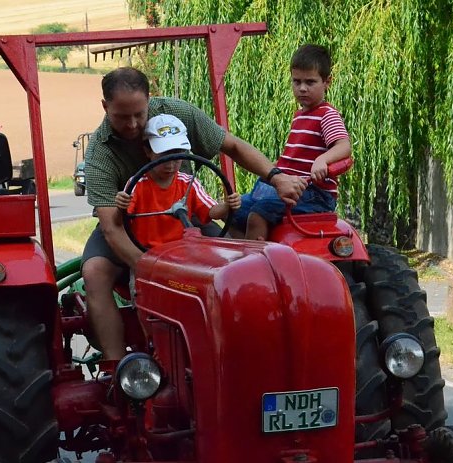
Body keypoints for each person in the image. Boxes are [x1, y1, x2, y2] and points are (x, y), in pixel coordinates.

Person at [81, 66, 306, 363]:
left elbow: (233, 146)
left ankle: (247, 351)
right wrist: (153, 269)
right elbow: (112, 227)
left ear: (150, 99)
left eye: (139, 113)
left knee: (239, 263)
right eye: (122, 117)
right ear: (105, 106)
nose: (134, 124)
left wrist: (277, 179)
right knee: (94, 272)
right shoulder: (100, 153)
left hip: (185, 220)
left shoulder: (176, 115)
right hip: (131, 225)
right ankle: (120, 371)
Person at [230, 44, 352, 240]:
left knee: (258, 214)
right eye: (297, 82)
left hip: (313, 193)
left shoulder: (327, 115)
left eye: (310, 82)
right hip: (291, 188)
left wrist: (322, 160)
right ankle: (241, 253)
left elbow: (344, 145)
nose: (302, 88)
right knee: (235, 210)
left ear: (327, 82)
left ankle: (258, 262)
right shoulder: (299, 116)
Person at [114, 114, 241, 250]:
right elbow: (120, 221)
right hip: (148, 254)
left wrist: (227, 205)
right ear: (147, 151)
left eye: (176, 156)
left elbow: (211, 211)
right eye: (163, 155)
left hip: (183, 253)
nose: (170, 165)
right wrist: (121, 206)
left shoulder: (188, 183)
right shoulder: (136, 185)